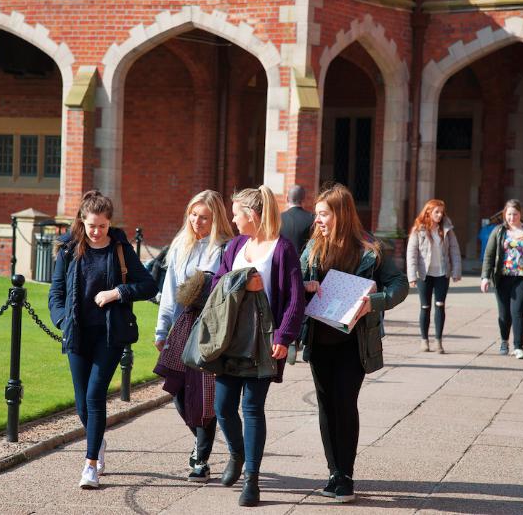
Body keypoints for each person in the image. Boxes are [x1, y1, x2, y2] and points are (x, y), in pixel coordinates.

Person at [301, 183, 408, 503]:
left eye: (323, 214)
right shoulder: (312, 247)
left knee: (344, 402)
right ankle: (333, 472)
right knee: (325, 404)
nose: (317, 219)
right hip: (319, 337)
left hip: (354, 341)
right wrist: (305, 284)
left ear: (341, 214)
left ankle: (346, 475)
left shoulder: (370, 249)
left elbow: (399, 284)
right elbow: (294, 278)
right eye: (316, 214)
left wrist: (372, 302)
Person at [48, 190, 157, 489]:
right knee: (82, 402)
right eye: (91, 226)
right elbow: (55, 293)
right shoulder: (69, 250)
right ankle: (98, 441)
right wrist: (61, 320)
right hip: (78, 333)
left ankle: (90, 465)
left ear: (110, 224)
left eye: (102, 226)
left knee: (95, 396)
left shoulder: (120, 249)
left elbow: (149, 284)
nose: (96, 232)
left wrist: (117, 293)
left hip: (110, 335)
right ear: (82, 221)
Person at [210, 185, 305, 507]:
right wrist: (242, 281)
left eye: (236, 213)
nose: (233, 220)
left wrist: (284, 337)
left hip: (262, 343)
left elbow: (295, 297)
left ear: (251, 215)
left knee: (251, 409)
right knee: (222, 407)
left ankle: (251, 478)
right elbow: (216, 284)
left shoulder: (282, 249)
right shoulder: (236, 245)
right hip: (228, 339)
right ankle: (236, 453)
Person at [152, 190, 235, 482]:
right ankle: (201, 441)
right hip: (183, 325)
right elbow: (170, 294)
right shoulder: (179, 246)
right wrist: (162, 329)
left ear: (215, 220)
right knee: (177, 389)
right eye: (194, 214)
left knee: (205, 394)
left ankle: (200, 458)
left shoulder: (226, 248)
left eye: (204, 217)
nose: (197, 221)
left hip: (212, 328)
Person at [480, 199, 523, 359]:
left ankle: (518, 346)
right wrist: (485, 277)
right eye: (508, 214)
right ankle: (504, 341)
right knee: (504, 314)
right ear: (504, 214)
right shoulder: (498, 231)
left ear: (520, 214)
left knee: (517, 312)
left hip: (522, 279)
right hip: (501, 278)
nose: (511, 217)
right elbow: (489, 255)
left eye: (514, 214)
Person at [406, 199, 462, 354]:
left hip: (442, 274)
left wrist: (456, 271)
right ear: (428, 212)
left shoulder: (447, 229)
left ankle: (438, 341)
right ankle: (424, 340)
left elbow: (455, 250)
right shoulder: (418, 230)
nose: (439, 215)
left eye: (441, 212)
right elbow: (412, 254)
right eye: (436, 212)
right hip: (424, 275)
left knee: (440, 306)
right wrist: (411, 276)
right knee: (425, 307)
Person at [280, 184, 314, 255]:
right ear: (304, 199)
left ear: (287, 198)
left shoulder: (278, 218)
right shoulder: (313, 218)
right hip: (302, 264)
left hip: (282, 262)